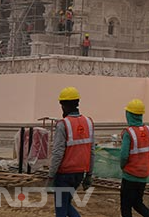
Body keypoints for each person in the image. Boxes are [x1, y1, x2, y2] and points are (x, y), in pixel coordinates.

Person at [47, 87, 94, 217]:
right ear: (77, 103)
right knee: (66, 204)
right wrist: (89, 175)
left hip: (64, 174)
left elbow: (58, 153)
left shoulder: (63, 124)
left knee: (61, 209)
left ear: (63, 105)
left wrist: (51, 176)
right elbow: (92, 151)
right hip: (79, 174)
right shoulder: (88, 123)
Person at [119, 99, 149, 217]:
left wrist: (123, 166)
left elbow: (124, 155)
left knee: (126, 207)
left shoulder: (129, 133)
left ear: (129, 114)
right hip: (143, 175)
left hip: (130, 175)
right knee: (137, 203)